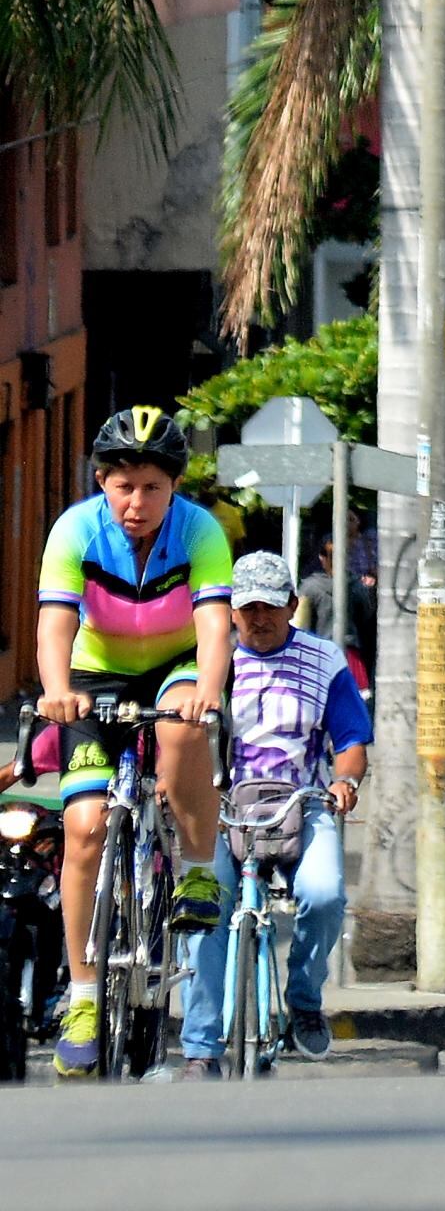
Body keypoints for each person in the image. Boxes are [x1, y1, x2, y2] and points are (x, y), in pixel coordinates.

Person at [35, 407, 234, 1076]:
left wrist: (208, 687)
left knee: (182, 723)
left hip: (173, 664)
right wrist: (58, 689)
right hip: (93, 675)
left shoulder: (201, 531)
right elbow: (56, 623)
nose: (136, 502)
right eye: (124, 485)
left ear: (172, 487)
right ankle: (85, 997)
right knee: (85, 826)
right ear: (102, 481)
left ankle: (199, 875)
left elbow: (213, 626)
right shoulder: (75, 530)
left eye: (151, 486)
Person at [179, 552, 369, 1077]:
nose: (259, 619)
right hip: (223, 810)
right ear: (232, 613)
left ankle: (304, 1000)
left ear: (291, 605)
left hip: (301, 803)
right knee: (204, 911)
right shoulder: (211, 664)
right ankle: (199, 1046)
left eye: (270, 607)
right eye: (247, 609)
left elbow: (351, 739)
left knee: (325, 894)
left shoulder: (325, 659)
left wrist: (345, 781)